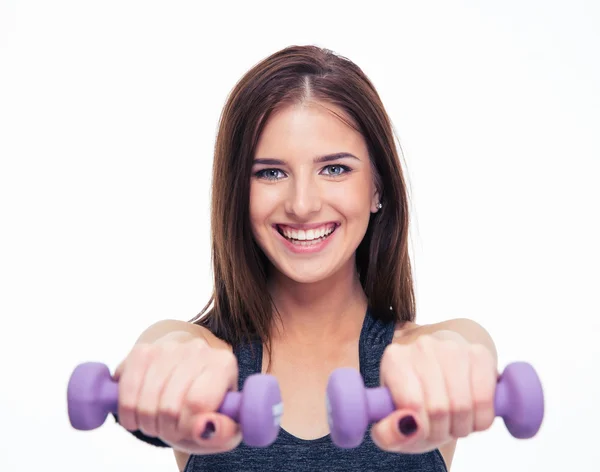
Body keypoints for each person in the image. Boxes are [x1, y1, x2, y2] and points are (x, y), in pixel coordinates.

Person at [113, 45, 498, 471]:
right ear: (239, 194)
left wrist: (454, 359)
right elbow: (169, 348)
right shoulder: (204, 357)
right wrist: (170, 358)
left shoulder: (428, 357)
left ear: (378, 187)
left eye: (334, 169)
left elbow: (463, 348)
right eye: (270, 173)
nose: (302, 204)